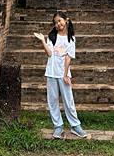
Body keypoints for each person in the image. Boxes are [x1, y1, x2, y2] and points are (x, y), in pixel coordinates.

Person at [35, 10, 88, 139]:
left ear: (66, 20)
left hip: (63, 74)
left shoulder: (71, 39)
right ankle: (58, 126)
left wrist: (65, 75)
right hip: (51, 73)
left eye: (59, 21)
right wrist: (43, 41)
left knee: (68, 101)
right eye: (55, 22)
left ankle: (75, 126)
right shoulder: (52, 36)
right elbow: (49, 54)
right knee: (52, 101)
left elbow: (68, 58)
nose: (58, 24)